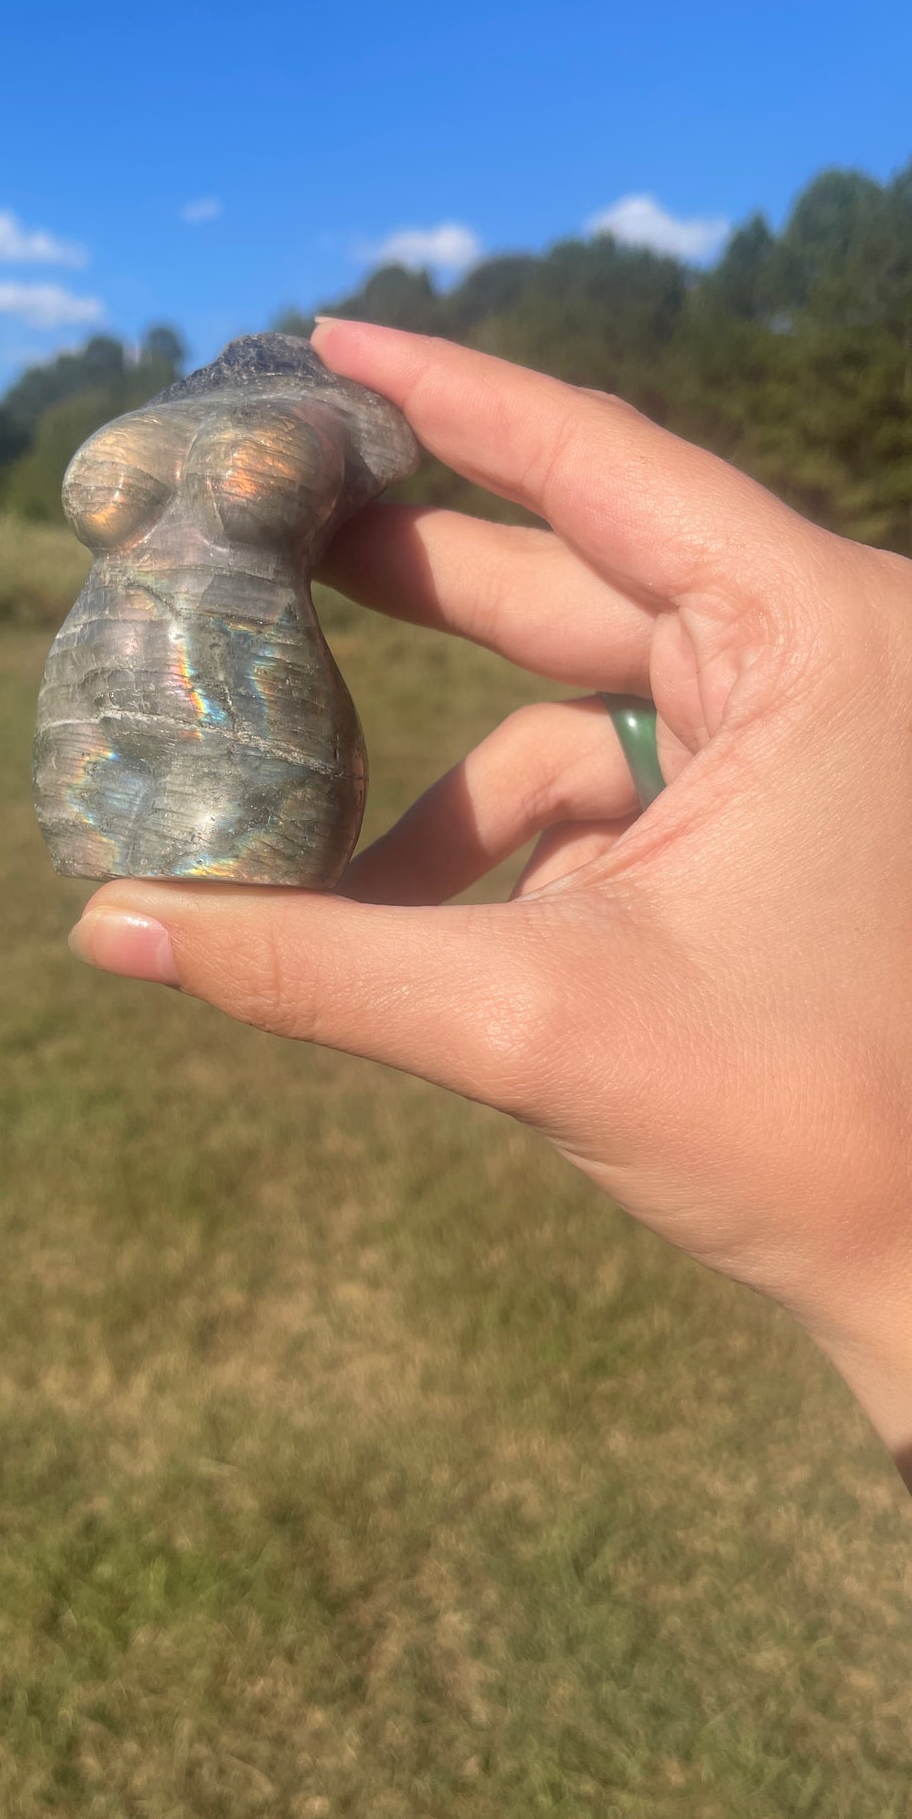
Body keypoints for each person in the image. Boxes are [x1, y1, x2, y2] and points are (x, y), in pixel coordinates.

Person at [67, 318, 912, 1489]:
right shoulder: (180, 420)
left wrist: (888, 1254)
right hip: (98, 729)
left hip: (260, 730)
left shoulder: (345, 434)